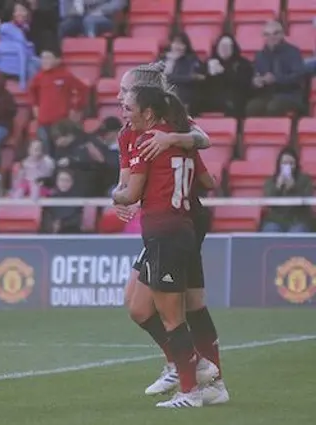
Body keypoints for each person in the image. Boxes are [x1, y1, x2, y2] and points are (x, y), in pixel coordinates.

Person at [113, 64, 229, 405]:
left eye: (125, 93)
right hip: (168, 221)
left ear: (145, 100)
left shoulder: (174, 126)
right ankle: (187, 368)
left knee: (183, 306)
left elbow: (203, 142)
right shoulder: (129, 132)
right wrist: (124, 196)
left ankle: (195, 373)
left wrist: (174, 142)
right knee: (148, 307)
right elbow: (126, 184)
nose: (120, 99)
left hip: (176, 220)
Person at [261, 147, 313, 232]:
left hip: (298, 220)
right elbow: (268, 202)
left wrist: (293, 188)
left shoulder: (305, 180)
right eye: (284, 163)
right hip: (276, 220)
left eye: (291, 163)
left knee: (298, 231)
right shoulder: (271, 181)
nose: (288, 167)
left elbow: (307, 202)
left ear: (296, 165)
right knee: (270, 229)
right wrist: (277, 187)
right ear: (279, 164)